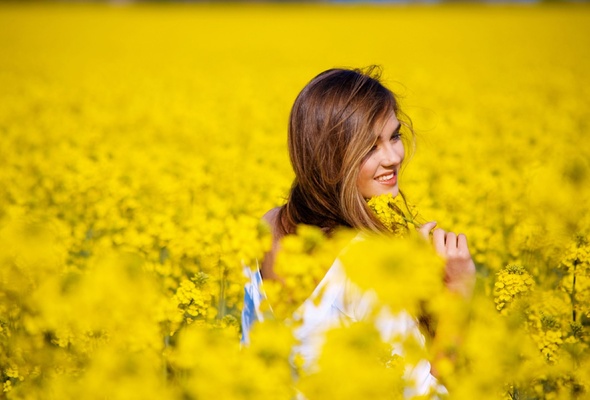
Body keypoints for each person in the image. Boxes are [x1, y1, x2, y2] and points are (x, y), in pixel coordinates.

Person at [241, 66, 476, 398]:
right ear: (330, 156)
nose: (394, 157)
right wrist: (457, 290)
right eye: (370, 146)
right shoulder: (365, 266)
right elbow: (429, 395)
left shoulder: (267, 226)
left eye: (394, 136)